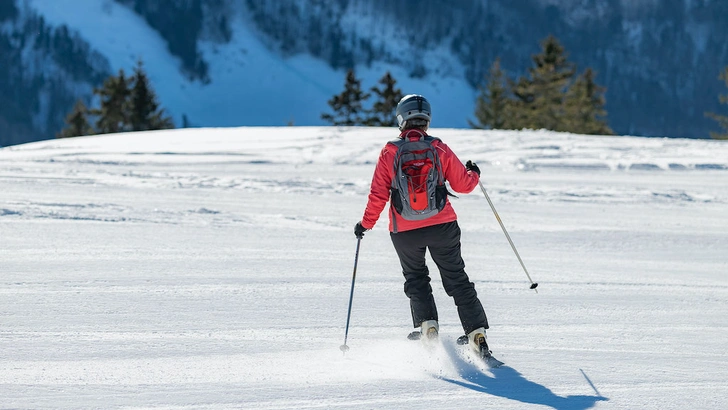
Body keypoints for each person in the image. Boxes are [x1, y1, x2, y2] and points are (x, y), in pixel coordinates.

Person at [354, 94, 493, 357]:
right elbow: (463, 185)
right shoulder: (438, 148)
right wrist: (474, 173)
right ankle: (477, 334)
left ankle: (428, 326)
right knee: (457, 279)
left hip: (404, 231)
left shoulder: (390, 151)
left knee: (416, 278)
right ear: (427, 120)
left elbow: (378, 195)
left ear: (401, 119)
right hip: (443, 226)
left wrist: (365, 224)